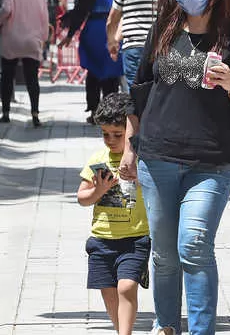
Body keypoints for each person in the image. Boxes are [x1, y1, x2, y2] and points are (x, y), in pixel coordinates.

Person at [120, 0, 230, 335]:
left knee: (194, 245)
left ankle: (201, 331)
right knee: (165, 256)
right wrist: (131, 148)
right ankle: (167, 326)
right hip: (158, 157)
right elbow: (141, 91)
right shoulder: (164, 29)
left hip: (212, 161)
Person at [77, 92, 150, 335]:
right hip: (102, 239)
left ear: (129, 132)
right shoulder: (98, 160)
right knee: (109, 294)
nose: (110, 139)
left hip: (135, 238)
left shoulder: (141, 160)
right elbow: (82, 198)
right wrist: (99, 189)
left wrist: (139, 178)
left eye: (117, 135)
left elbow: (156, 188)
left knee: (126, 287)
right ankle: (121, 330)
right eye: (105, 134)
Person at [62, 0, 123, 123]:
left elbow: (79, 12)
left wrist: (70, 34)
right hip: (114, 31)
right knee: (112, 74)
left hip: (93, 31)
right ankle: (111, 112)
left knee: (94, 71)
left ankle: (94, 109)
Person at [0, 0, 49, 127]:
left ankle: (5, 113)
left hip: (12, 38)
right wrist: (44, 37)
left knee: (7, 75)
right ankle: (35, 114)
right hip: (32, 40)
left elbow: (7, 9)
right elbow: (44, 17)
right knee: (32, 78)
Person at [106, 0, 163, 86]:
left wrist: (112, 42)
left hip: (133, 47)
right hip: (159, 47)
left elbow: (112, 20)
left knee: (134, 90)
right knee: (156, 89)